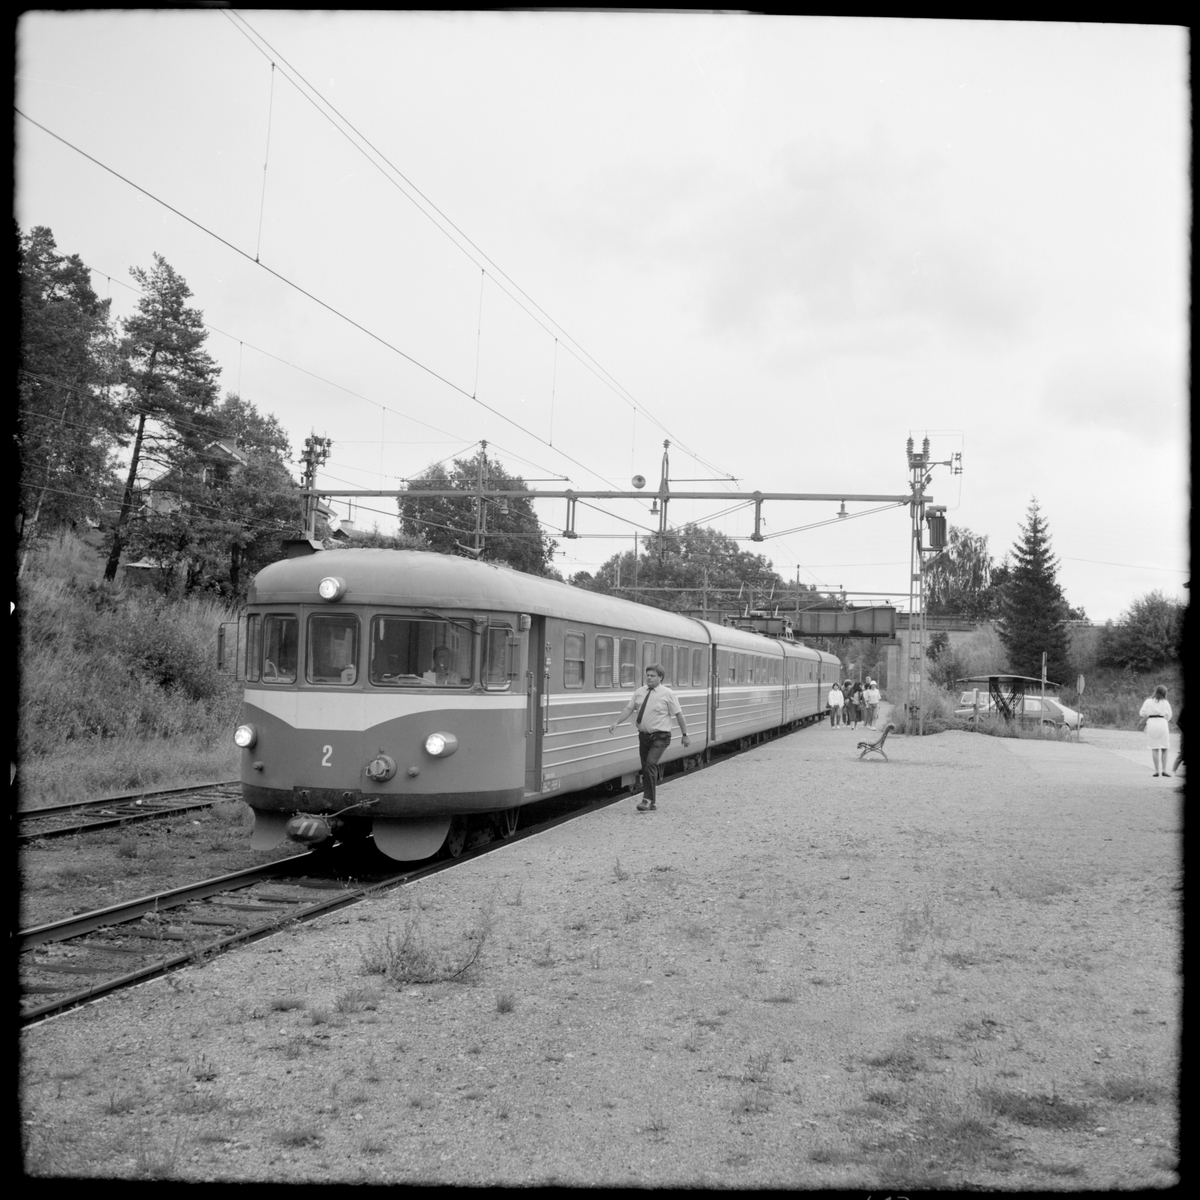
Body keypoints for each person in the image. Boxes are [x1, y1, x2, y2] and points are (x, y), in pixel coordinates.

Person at [608, 664, 689, 812]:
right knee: (646, 768)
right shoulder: (640, 692)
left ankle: (647, 800)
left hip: (661, 736)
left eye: (652, 676)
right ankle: (651, 802)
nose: (649, 678)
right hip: (644, 736)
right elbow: (629, 709)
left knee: (650, 764)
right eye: (648, 675)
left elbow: (679, 715)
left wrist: (685, 735)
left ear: (660, 678)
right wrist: (616, 722)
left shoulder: (668, 694)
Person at [1137, 685, 1173, 777]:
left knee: (1155, 747)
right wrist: (1164, 719)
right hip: (1162, 723)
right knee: (1165, 747)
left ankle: (1157, 771)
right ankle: (1164, 770)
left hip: (1151, 723)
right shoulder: (1165, 702)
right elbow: (1170, 715)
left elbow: (1141, 713)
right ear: (1164, 693)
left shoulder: (1148, 701)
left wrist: (1149, 714)